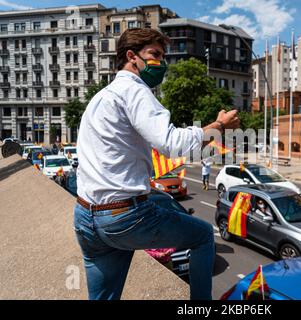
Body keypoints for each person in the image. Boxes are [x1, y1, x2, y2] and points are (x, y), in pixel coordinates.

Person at [74, 28, 239, 300]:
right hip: (122, 218)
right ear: (132, 57)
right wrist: (219, 125)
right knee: (202, 236)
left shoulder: (99, 98)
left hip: (85, 217)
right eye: (155, 54)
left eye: (162, 56)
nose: (160, 63)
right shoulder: (135, 90)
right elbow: (173, 144)